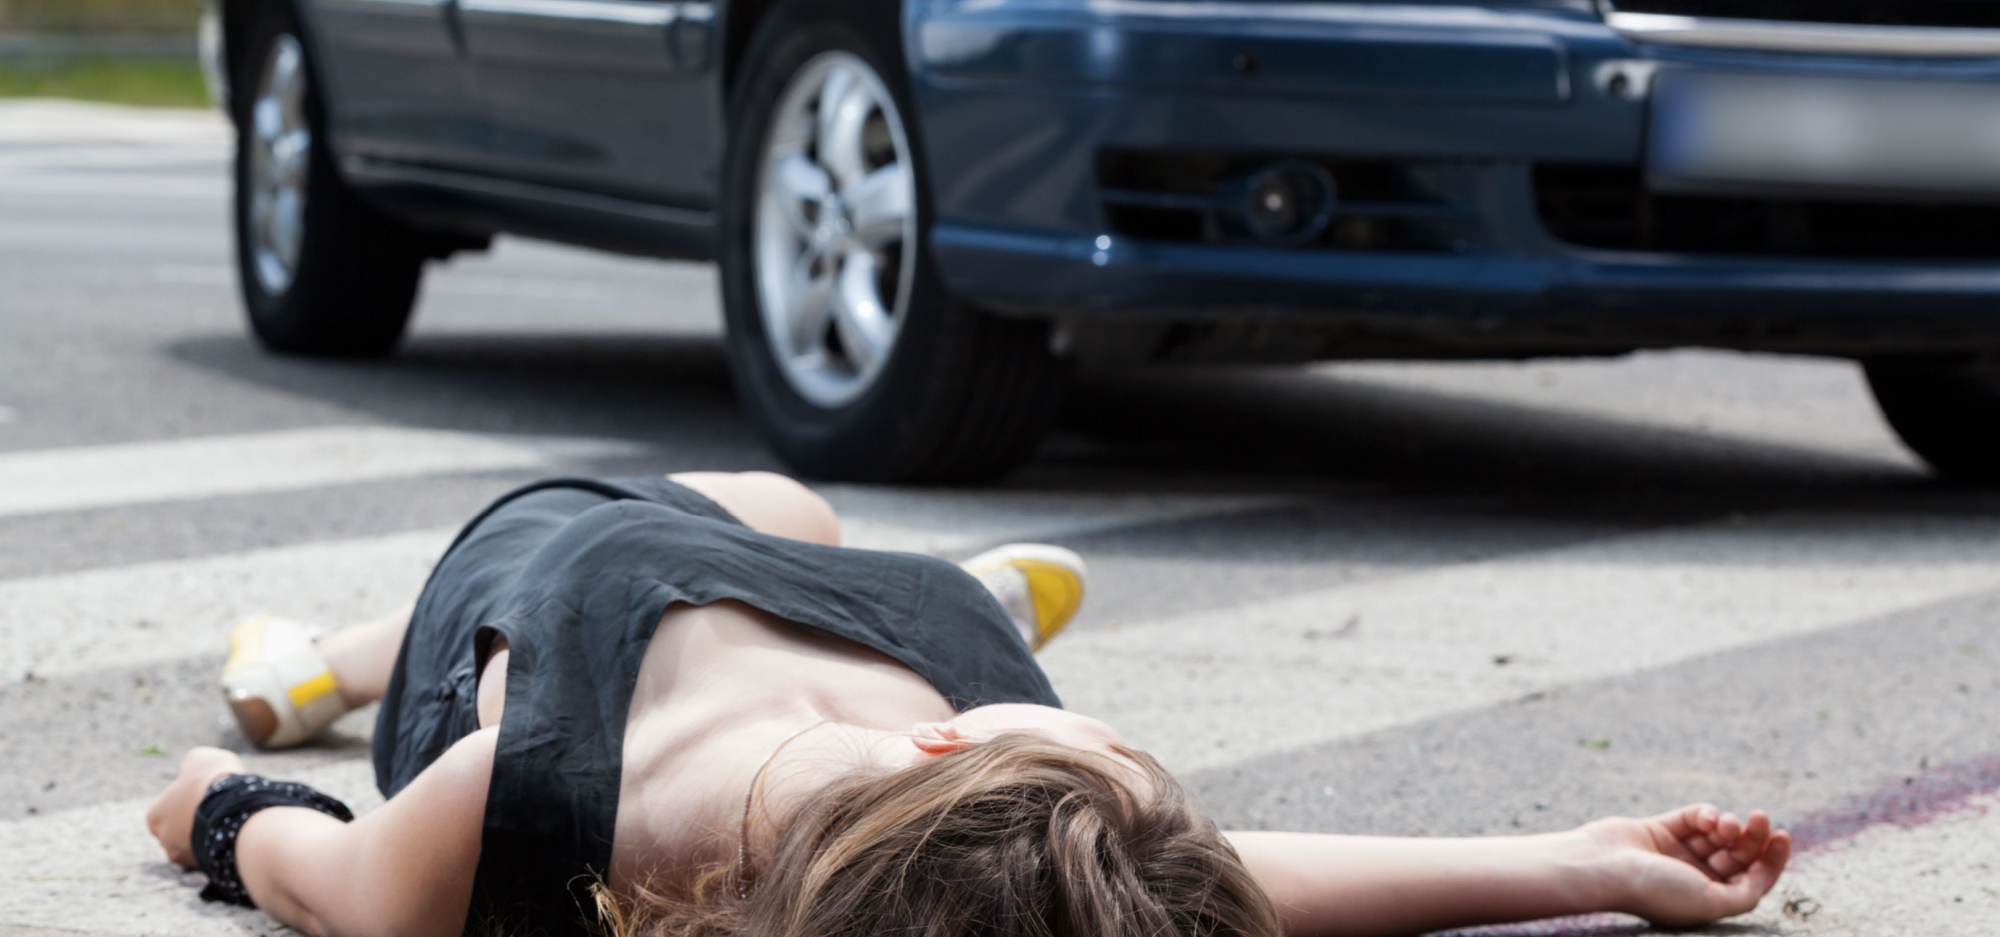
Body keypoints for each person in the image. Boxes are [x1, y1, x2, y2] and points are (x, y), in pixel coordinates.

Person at [147, 472, 1791, 937]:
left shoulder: (557, 802)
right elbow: (1227, 885)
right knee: (792, 511)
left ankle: (337, 663)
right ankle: (333, 650)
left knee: (764, 502)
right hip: (782, 593)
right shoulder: (992, 843)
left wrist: (219, 800)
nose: (1151, 778)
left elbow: (323, 876)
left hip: (533, 580)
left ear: (942, 751)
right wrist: (1582, 861)